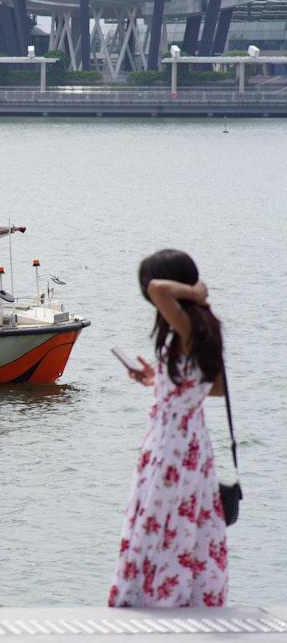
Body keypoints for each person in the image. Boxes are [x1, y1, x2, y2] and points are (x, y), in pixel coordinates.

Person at [108, 249, 228, 608]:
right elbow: (215, 387)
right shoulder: (203, 327)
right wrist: (157, 379)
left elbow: (160, 288)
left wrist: (196, 292)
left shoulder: (189, 322)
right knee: (185, 525)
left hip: (171, 446)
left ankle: (152, 602)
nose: (152, 298)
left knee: (159, 522)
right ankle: (185, 599)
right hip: (193, 443)